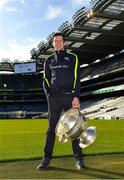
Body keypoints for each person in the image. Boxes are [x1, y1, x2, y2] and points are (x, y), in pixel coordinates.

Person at [37, 32, 85, 171]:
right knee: (51, 129)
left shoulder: (73, 58)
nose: (57, 43)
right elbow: (45, 79)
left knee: (75, 128)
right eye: (55, 41)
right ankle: (46, 159)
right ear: (52, 44)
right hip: (54, 99)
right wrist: (48, 94)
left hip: (70, 97)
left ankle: (78, 159)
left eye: (60, 41)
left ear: (64, 43)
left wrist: (76, 96)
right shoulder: (49, 60)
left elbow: (77, 78)